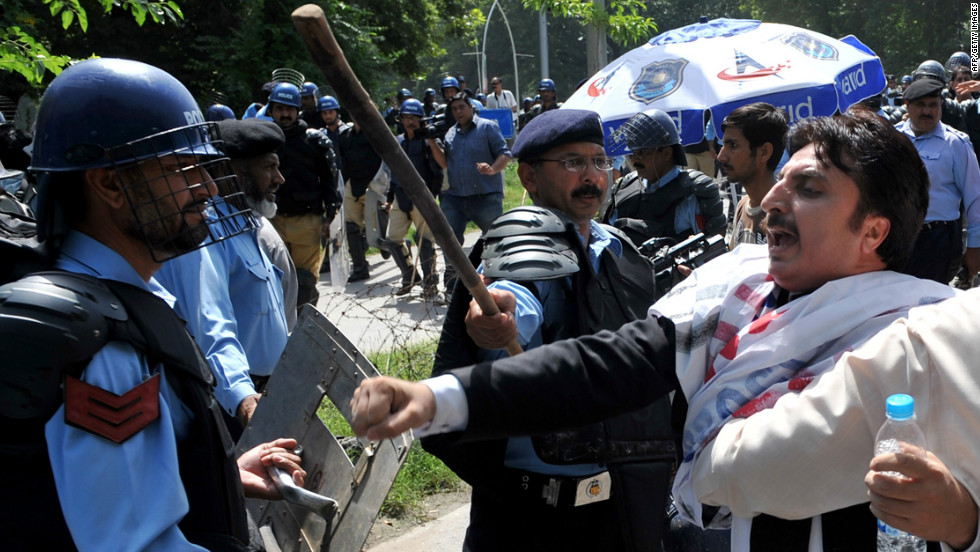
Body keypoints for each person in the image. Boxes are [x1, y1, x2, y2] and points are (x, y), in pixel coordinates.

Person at [349, 109, 966, 550]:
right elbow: (613, 364)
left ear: (872, 231)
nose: (770, 202)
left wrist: (964, 520)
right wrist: (438, 398)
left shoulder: (930, 339)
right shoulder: (738, 288)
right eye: (780, 181)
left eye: (808, 190)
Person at [0, 57, 305, 551]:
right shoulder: (102, 349)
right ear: (109, 183)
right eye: (182, 169)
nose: (207, 189)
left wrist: (217, 472)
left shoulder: (129, 301)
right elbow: (134, 544)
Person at [423, 108, 674, 551]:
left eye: (599, 161)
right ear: (530, 178)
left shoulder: (617, 246)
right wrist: (493, 321)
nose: (592, 176)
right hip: (530, 514)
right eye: (573, 162)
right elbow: (509, 299)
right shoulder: (519, 248)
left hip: (620, 502)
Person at [155, 118, 292, 433]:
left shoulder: (246, 221)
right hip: (237, 403)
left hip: (266, 389)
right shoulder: (206, 231)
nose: (279, 179)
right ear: (234, 172)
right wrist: (241, 396)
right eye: (268, 168)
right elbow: (209, 323)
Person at [600, 108, 726, 248]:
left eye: (642, 152)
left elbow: (713, 253)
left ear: (666, 153)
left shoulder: (694, 192)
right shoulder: (624, 187)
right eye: (633, 152)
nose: (635, 159)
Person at [897, 78, 980, 284]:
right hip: (898, 238)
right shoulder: (893, 138)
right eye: (921, 105)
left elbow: (975, 198)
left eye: (933, 105)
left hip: (938, 241)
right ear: (908, 105)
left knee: (931, 308)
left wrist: (974, 246)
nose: (927, 111)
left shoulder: (955, 143)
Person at [429, 91, 512, 293]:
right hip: (456, 199)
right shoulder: (450, 133)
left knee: (496, 240)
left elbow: (505, 154)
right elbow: (445, 163)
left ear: (471, 108)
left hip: (486, 197)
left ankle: (499, 282)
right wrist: (431, 141)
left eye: (462, 107)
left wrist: (492, 169)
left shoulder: (487, 127)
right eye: (454, 109)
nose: (458, 112)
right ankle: (451, 287)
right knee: (449, 241)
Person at [267, 81, 341, 304]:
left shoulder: (315, 141)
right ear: (271, 110)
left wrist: (329, 217)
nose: (285, 114)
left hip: (308, 220)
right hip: (273, 220)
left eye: (289, 109)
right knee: (277, 280)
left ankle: (304, 329)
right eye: (280, 109)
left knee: (305, 281)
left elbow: (329, 181)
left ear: (298, 111)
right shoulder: (264, 141)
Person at [383, 98, 443, 298]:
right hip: (400, 195)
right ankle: (409, 275)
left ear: (421, 119)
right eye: (406, 117)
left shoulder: (428, 141)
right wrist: (390, 197)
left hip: (422, 196)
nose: (410, 121)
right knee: (392, 239)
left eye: (414, 118)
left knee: (424, 240)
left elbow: (438, 169)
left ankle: (430, 283)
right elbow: (394, 172)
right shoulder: (398, 141)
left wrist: (431, 196)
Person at [717, 103, 789, 249]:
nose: (721, 156)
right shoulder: (743, 205)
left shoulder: (786, 214)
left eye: (733, 146)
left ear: (764, 152)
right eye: (723, 145)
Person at [334, 118, 387, 282]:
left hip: (374, 185)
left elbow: (386, 159)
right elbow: (342, 161)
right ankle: (359, 267)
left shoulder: (376, 134)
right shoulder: (345, 136)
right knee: (351, 226)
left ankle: (395, 246)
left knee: (376, 231)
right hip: (353, 185)